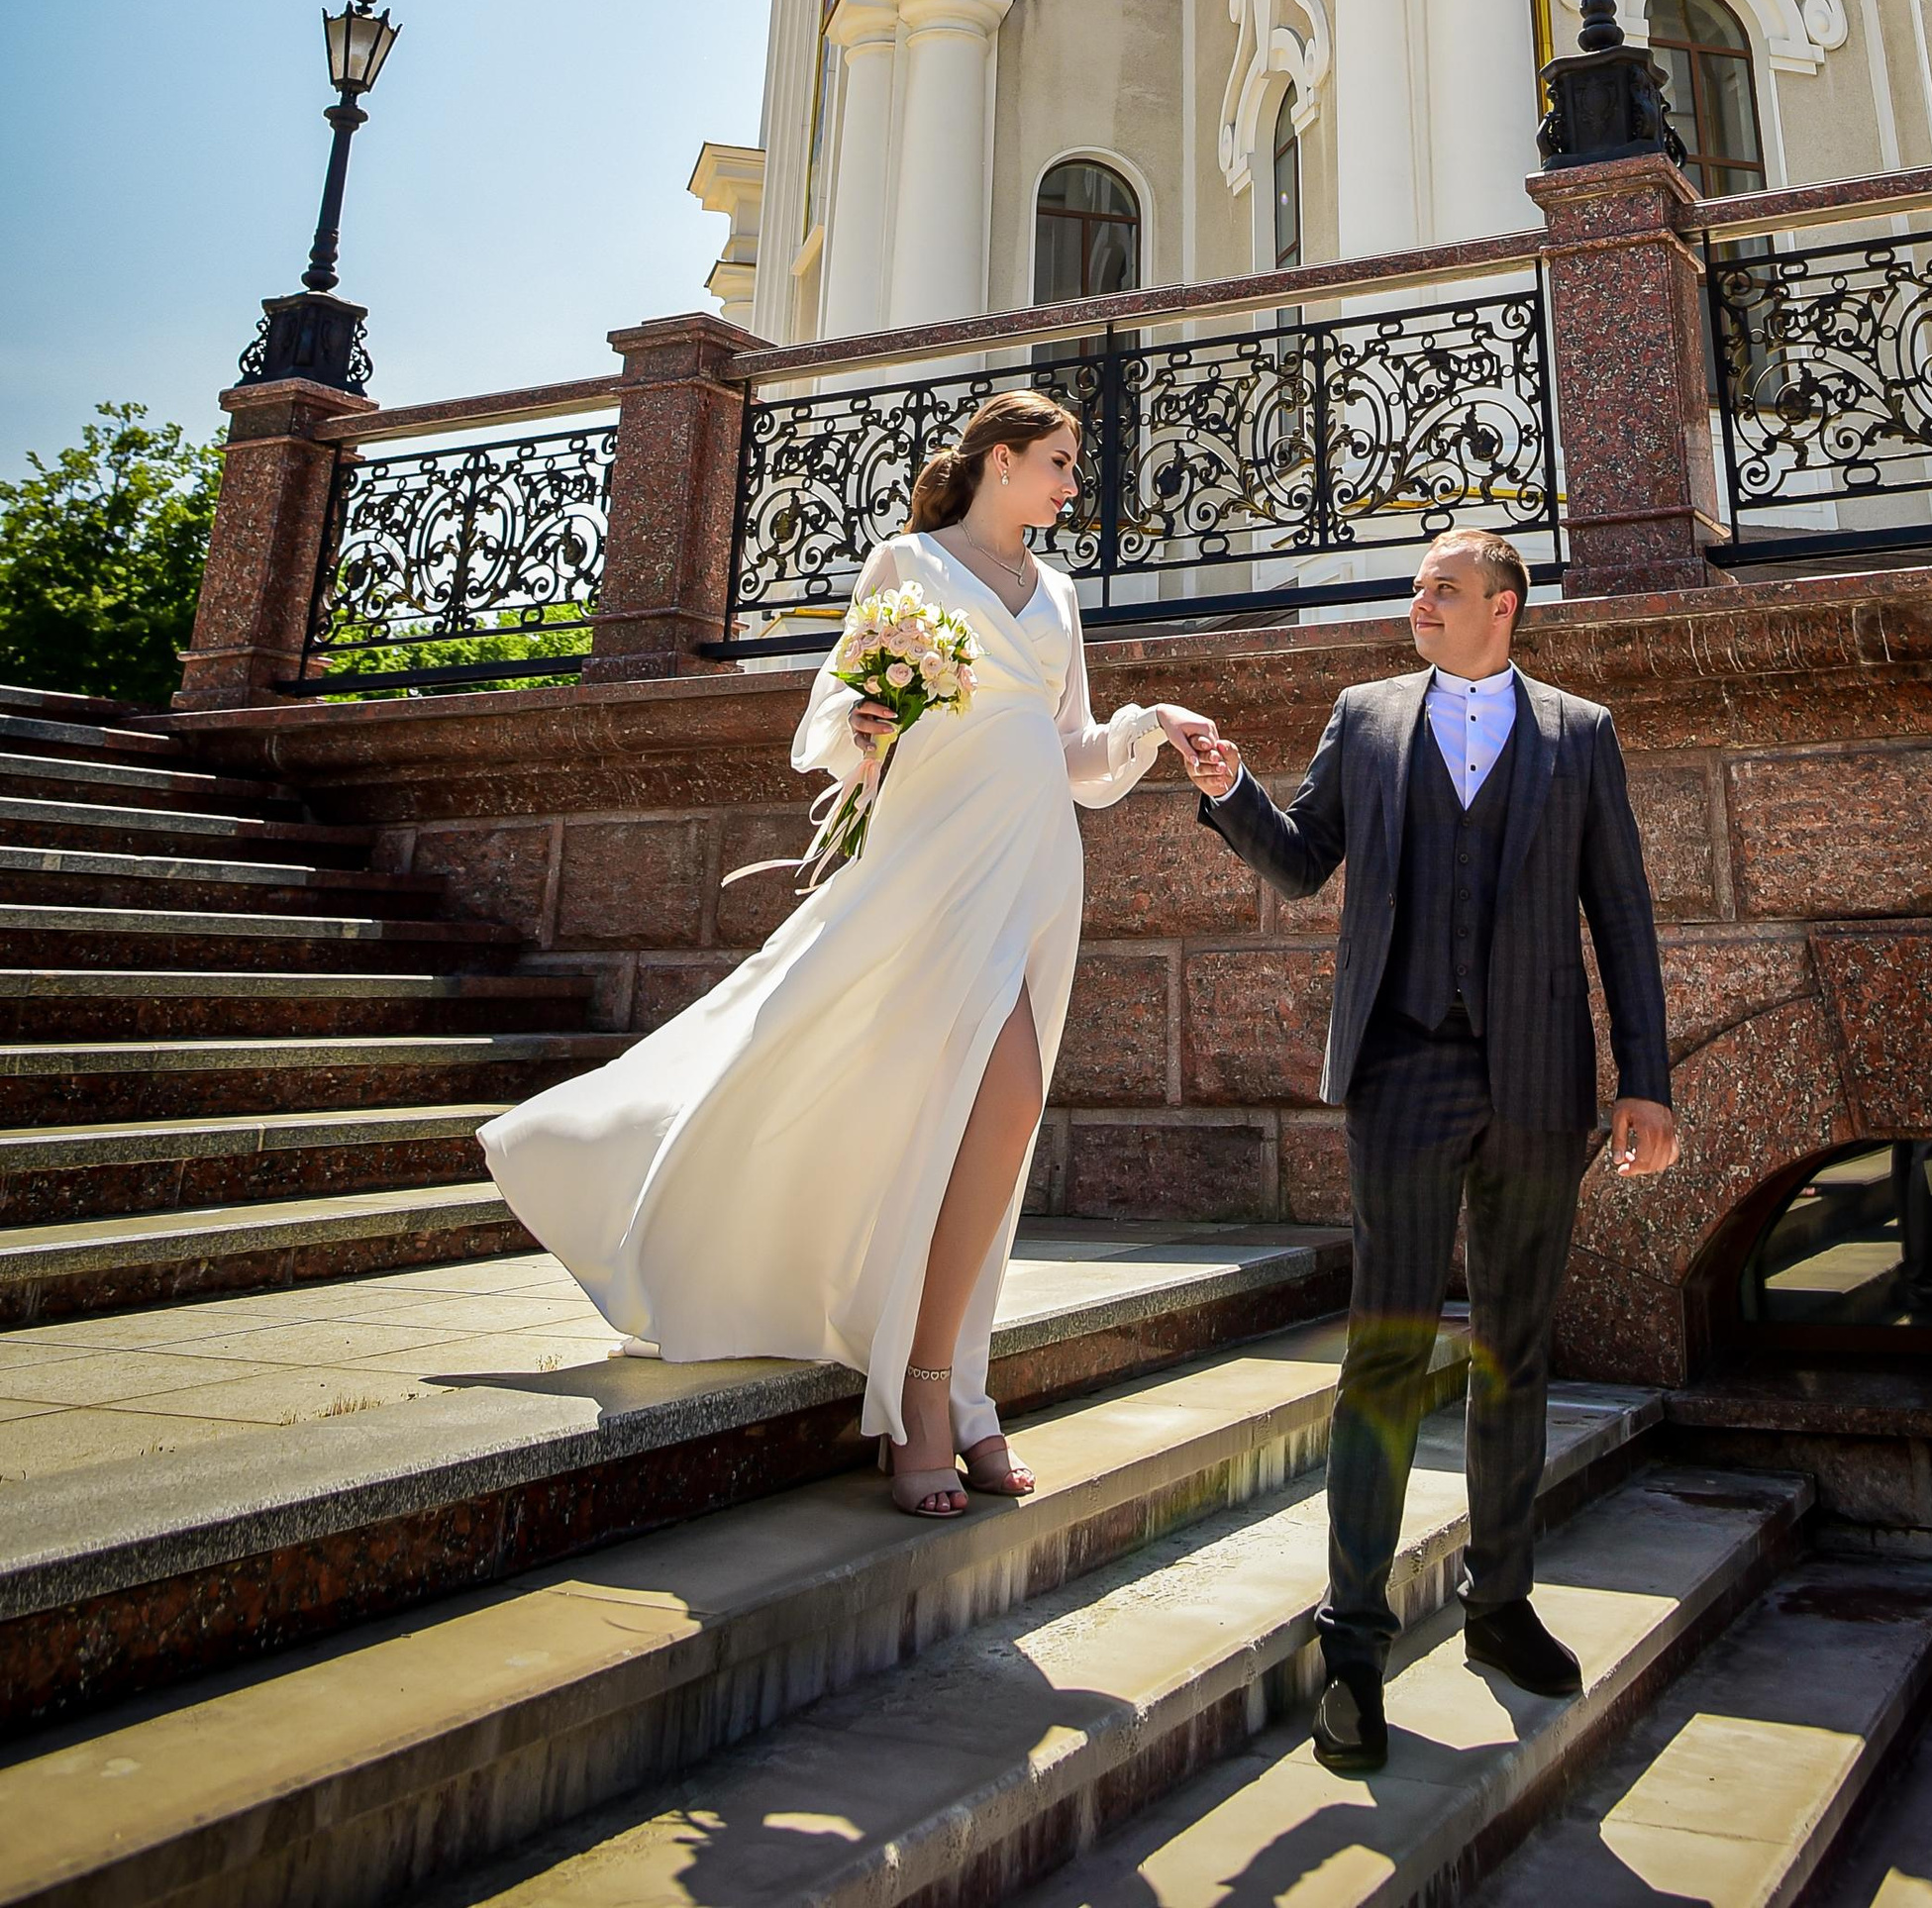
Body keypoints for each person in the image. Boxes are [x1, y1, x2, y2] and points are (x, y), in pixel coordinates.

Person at [479, 389, 1221, 1522]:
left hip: (1033, 870)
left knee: (992, 1123)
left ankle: (957, 1388)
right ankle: (926, 1394)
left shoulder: (1060, 594)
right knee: (999, 1099)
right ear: (1001, 460)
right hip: (934, 864)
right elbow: (838, 715)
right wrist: (865, 726)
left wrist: (1149, 724)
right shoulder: (905, 563)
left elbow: (1069, 751)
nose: (1074, 485)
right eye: (1061, 463)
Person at [1186, 532, 1678, 1774]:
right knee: (1386, 1353)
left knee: (1514, 1352)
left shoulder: (1580, 732)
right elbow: (1304, 866)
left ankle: (1498, 1604)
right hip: (1404, 1072)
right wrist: (1232, 788)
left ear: (1501, 610)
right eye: (1418, 587)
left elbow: (1618, 910)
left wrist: (1646, 1084)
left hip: (1539, 1084)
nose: (1420, 601)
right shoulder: (1365, 717)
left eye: (1443, 589)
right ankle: (1350, 1640)